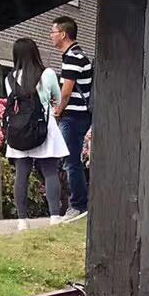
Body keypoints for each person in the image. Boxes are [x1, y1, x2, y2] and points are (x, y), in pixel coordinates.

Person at [3, 38, 70, 230]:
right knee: (50, 172)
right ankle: (54, 216)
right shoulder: (47, 73)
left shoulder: (10, 78)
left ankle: (22, 221)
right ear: (35, 52)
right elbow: (57, 98)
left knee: (21, 174)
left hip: (19, 131)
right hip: (43, 129)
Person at [50, 15, 92, 220]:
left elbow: (66, 91)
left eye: (53, 32)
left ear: (63, 34)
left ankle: (78, 205)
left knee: (71, 161)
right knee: (71, 160)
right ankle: (80, 203)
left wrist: (58, 110)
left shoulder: (73, 57)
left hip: (73, 116)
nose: (51, 36)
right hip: (76, 115)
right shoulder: (75, 55)